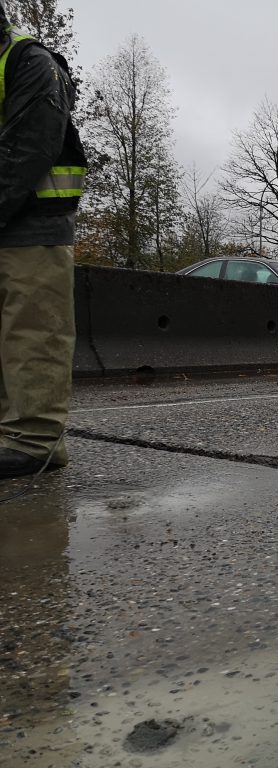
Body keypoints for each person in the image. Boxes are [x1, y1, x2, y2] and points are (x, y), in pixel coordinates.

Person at [0, 2, 86, 478]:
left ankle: (33, 440)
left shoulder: (28, 62)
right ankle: (13, 434)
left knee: (32, 329)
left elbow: (27, 151)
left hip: (33, 225)